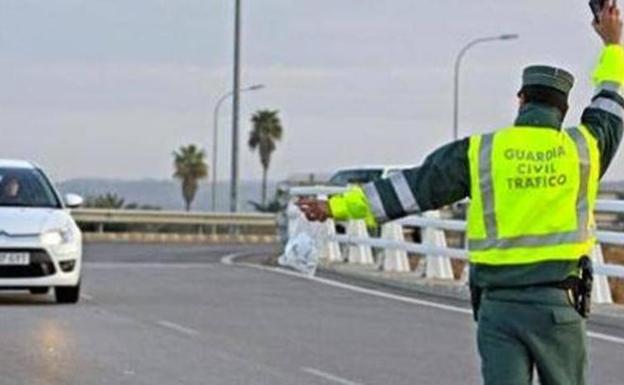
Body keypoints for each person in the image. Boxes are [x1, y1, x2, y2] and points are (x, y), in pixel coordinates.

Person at [297, 3, 623, 385]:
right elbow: (609, 102)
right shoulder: (583, 149)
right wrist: (613, 43)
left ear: (521, 101)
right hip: (558, 307)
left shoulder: (481, 153)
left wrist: (335, 206)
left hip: (499, 308)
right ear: (563, 110)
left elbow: (412, 189)